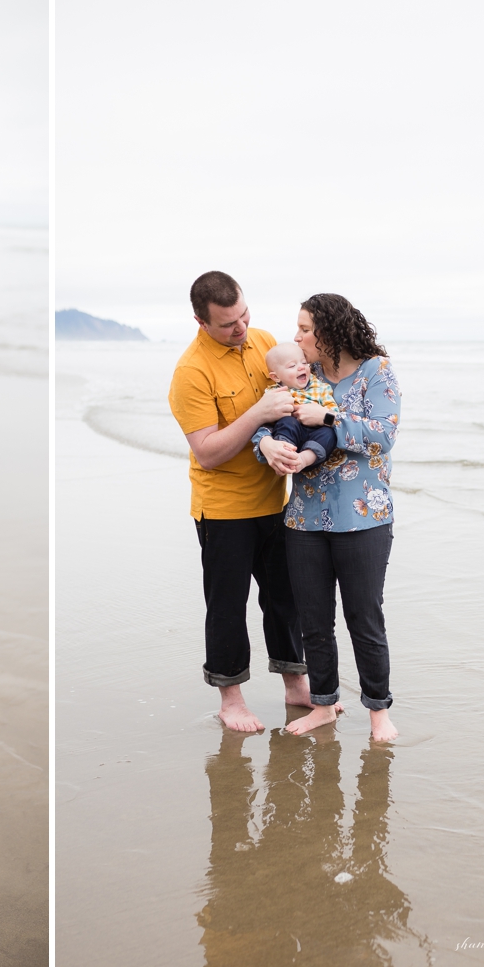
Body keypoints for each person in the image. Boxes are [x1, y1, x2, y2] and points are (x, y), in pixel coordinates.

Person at [167, 272, 321, 733]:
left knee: (284, 600)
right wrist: (257, 415)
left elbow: (294, 400)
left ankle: (296, 685)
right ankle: (230, 700)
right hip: (224, 508)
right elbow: (208, 453)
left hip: (276, 501)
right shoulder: (191, 372)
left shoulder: (265, 343)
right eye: (228, 324)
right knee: (228, 605)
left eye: (244, 316)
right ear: (200, 321)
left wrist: (286, 440)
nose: (241, 329)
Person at [254, 294, 402, 742]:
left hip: (365, 519)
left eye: (304, 329)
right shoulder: (303, 373)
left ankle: (379, 714)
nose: (296, 338)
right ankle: (323, 705)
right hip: (304, 519)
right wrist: (265, 444)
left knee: (364, 617)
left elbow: (383, 435)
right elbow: (270, 418)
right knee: (313, 620)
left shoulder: (377, 370)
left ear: (330, 330)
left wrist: (330, 417)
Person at [263, 342, 339, 464]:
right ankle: (285, 453)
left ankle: (304, 459)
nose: (301, 367)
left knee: (329, 433)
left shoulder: (320, 387)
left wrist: (322, 415)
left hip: (316, 432)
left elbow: (333, 411)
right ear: (276, 377)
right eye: (292, 366)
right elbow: (266, 418)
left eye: (304, 363)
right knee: (287, 422)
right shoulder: (274, 393)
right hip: (291, 434)